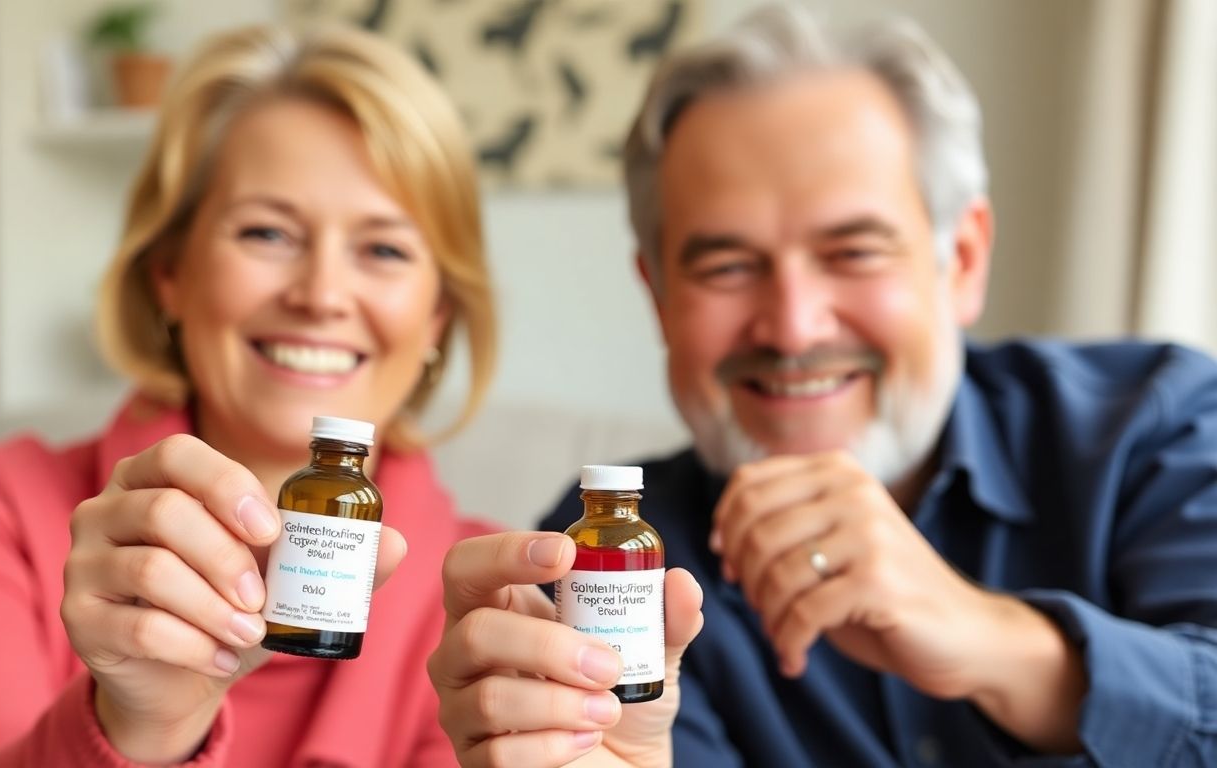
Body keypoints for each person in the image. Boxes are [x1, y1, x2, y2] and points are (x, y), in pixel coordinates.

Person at [432, 3, 1217, 766]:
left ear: (963, 261)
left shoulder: (1158, 424)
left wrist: (995, 641)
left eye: (854, 253)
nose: (794, 329)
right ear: (659, 297)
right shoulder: (611, 562)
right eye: (728, 266)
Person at [0, 22, 495, 768]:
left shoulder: (492, 598)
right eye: (267, 233)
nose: (322, 294)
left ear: (437, 315)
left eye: (385, 249)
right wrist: (137, 729)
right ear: (170, 273)